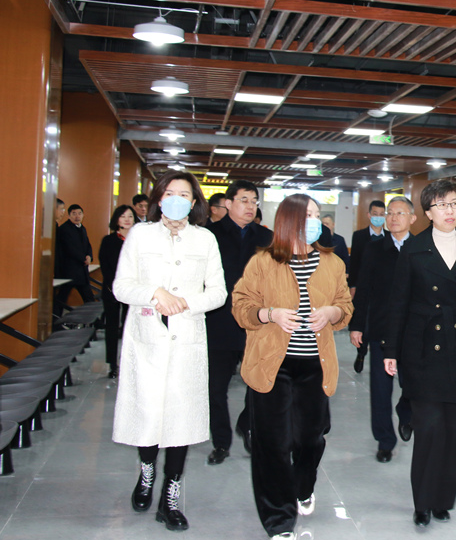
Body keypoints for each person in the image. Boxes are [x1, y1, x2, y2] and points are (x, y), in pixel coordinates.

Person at [232, 194, 352, 540]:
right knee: (272, 443)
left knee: (309, 438)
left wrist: (331, 313)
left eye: (317, 215)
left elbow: (345, 306)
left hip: (315, 365)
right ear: (288, 221)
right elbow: (241, 306)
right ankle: (279, 520)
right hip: (273, 364)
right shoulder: (263, 262)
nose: (314, 221)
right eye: (307, 215)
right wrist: (269, 314)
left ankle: (303, 485)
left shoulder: (332, 263)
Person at [112, 171, 227, 532]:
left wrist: (184, 302)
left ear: (194, 203)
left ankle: (170, 495)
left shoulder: (205, 239)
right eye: (170, 193)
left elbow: (218, 293)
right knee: (147, 411)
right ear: (159, 199)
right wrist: (154, 293)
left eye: (185, 194)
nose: (177, 200)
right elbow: (121, 287)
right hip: (146, 336)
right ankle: (146, 472)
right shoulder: (140, 235)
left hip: (186, 337)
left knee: (181, 417)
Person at [383, 180, 456, 527]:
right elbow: (398, 302)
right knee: (429, 428)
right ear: (428, 212)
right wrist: (390, 349)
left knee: (453, 430)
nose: (450, 211)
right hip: (421, 349)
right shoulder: (414, 249)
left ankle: (444, 500)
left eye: (455, 204)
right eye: (442, 205)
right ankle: (423, 502)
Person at [205, 181, 273, 465]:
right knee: (215, 389)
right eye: (244, 200)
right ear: (228, 203)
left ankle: (247, 425)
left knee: (258, 383)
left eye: (254, 201)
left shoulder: (267, 237)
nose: (250, 206)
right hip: (218, 322)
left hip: (256, 323)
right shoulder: (209, 235)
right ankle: (221, 442)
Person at [349, 197, 415, 463]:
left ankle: (406, 411)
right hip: (381, 329)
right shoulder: (375, 249)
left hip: (413, 332)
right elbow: (363, 290)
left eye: (400, 213)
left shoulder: (422, 248)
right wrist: (357, 326)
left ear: (412, 218)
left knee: (412, 385)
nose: (393, 217)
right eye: (390, 213)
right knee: (379, 389)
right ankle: (385, 440)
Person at [98, 204, 137, 379]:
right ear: (117, 220)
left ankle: (130, 362)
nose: (127, 220)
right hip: (111, 289)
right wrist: (113, 286)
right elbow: (105, 266)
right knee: (112, 327)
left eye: (130, 216)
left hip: (134, 290)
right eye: (123, 216)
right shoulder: (108, 240)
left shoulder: (138, 240)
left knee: (131, 326)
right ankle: (112, 364)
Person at [348, 200, 386, 372]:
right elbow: (354, 263)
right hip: (364, 287)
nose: (378, 217)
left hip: (382, 289)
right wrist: (352, 286)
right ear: (369, 215)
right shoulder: (359, 236)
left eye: (381, 214)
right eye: (375, 214)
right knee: (362, 321)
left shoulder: (389, 237)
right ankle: (361, 352)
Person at [56, 203, 95, 306]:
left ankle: (94, 319)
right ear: (69, 216)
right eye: (74, 214)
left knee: (89, 298)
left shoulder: (83, 228)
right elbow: (69, 248)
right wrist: (84, 258)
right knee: (62, 298)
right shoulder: (64, 229)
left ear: (83, 215)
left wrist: (89, 256)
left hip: (81, 271)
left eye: (79, 213)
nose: (77, 216)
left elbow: (88, 245)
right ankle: (56, 315)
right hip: (69, 271)